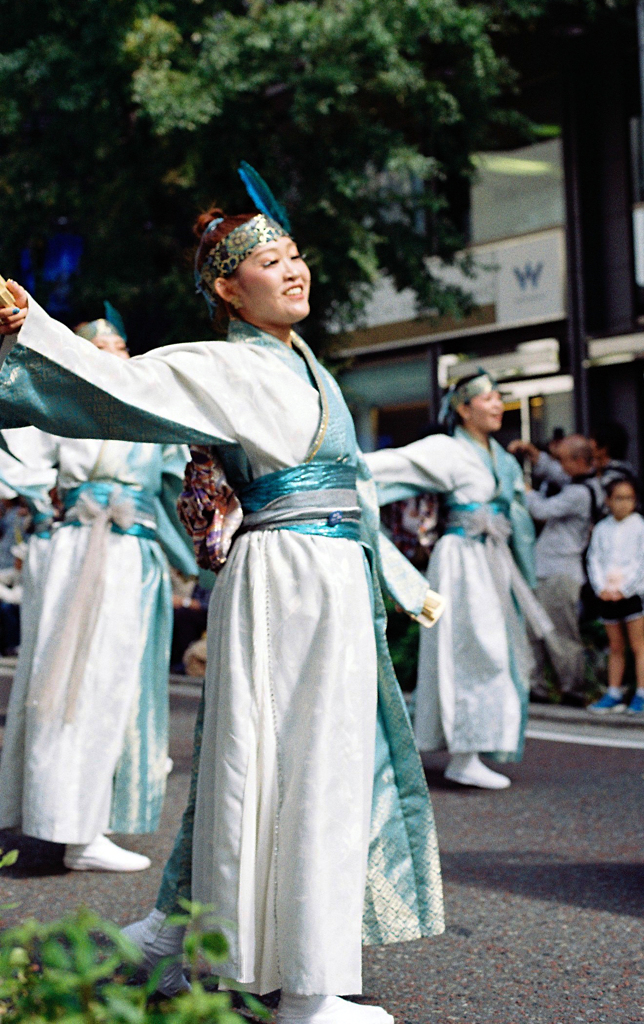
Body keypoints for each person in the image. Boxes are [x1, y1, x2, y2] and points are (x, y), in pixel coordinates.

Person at [0, 167, 444, 1023]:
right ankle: (308, 990)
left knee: (280, 762)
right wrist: (34, 327)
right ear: (225, 288)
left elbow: (347, 492)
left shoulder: (303, 366)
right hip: (288, 578)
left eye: (296, 254)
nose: (293, 268)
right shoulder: (222, 366)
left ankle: (191, 937)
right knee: (305, 764)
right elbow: (120, 385)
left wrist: (400, 580)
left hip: (319, 576)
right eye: (270, 260)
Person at [0, 312, 198, 873]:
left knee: (119, 685)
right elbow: (17, 457)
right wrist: (47, 505)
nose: (117, 351)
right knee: (73, 682)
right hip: (82, 552)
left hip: (132, 555)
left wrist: (195, 562)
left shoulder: (148, 408)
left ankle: (87, 819)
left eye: (123, 344)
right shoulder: (61, 405)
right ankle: (69, 827)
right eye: (102, 346)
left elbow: (173, 491)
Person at [365, 372, 552, 790]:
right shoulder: (448, 450)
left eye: (498, 396)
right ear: (464, 409)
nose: (496, 403)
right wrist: (333, 466)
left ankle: (472, 749)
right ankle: (463, 754)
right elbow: (387, 465)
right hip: (461, 561)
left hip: (489, 560)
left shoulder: (498, 456)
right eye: (486, 398)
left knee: (495, 650)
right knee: (469, 649)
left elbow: (517, 512)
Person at [522, 435, 595, 705]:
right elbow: (558, 474)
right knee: (534, 631)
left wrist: (526, 491)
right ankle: (537, 685)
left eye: (563, 460)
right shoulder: (579, 484)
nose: (559, 467)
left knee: (560, 634)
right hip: (547, 569)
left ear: (579, 461)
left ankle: (572, 689)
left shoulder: (579, 493)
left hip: (561, 571)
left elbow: (542, 510)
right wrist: (535, 455)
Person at [587, 477, 644, 715]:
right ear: (608, 500)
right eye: (618, 498)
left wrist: (625, 590)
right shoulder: (602, 528)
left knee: (638, 644)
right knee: (615, 646)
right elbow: (594, 558)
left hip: (631, 594)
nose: (623, 504)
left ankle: (642, 695)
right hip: (607, 594)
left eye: (628, 498)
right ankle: (614, 692)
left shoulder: (642, 527)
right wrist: (601, 588)